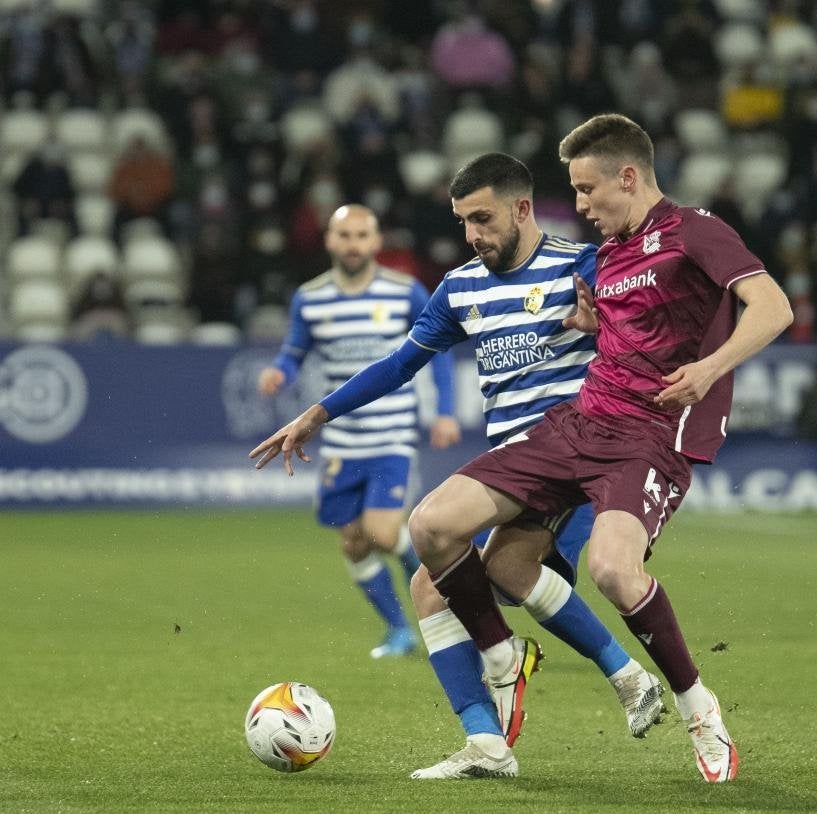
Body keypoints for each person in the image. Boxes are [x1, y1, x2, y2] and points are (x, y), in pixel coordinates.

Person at [397, 113, 790, 783]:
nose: (579, 205)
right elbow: (629, 331)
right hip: (576, 424)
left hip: (647, 438)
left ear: (627, 176)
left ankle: (700, 708)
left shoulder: (696, 231)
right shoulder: (608, 254)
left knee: (614, 570)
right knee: (431, 524)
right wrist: (591, 322)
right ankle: (499, 657)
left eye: (586, 189)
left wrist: (710, 368)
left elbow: (772, 306)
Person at [252, 154, 665, 779]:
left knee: (501, 565)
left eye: (483, 218)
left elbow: (644, 342)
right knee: (428, 587)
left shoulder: (584, 265)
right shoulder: (461, 286)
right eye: (463, 222)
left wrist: (602, 330)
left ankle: (621, 677)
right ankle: (487, 744)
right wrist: (319, 413)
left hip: (575, 459)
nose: (472, 234)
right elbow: (398, 365)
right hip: (509, 470)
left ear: (522, 209)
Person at [257, 204, 460, 659]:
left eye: (361, 235)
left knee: (384, 534)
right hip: (341, 442)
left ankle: (447, 597)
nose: (352, 244)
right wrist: (279, 372)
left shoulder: (405, 292)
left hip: (391, 437)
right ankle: (399, 631)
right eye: (344, 235)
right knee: (352, 542)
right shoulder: (309, 298)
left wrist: (444, 410)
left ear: (375, 242)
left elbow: (439, 348)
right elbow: (295, 352)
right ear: (330, 241)